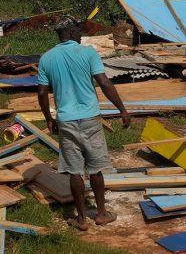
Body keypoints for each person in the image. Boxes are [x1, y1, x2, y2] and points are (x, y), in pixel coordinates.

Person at [37, 14, 131, 231]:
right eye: (78, 29)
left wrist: (49, 118)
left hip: (66, 120)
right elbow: (104, 82)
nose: (81, 33)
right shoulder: (88, 53)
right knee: (96, 169)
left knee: (75, 171)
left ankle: (81, 219)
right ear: (71, 32)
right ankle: (101, 214)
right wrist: (122, 110)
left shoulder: (47, 58)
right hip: (90, 119)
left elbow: (42, 93)